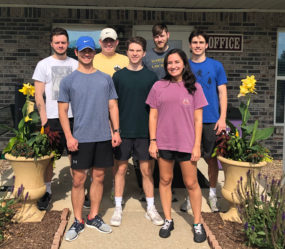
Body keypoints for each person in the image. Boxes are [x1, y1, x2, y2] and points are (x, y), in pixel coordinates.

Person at [58, 36, 121, 241]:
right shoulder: (68, 81)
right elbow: (63, 111)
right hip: (80, 138)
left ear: (94, 52)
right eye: (83, 51)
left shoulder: (105, 78)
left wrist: (116, 131)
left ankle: (93, 216)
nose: (86, 54)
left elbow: (113, 106)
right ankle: (78, 220)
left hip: (103, 136)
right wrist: (69, 136)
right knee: (78, 180)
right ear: (75, 53)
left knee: (99, 177)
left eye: (90, 51)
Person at [146, 49, 208, 242]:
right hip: (164, 142)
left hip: (187, 144)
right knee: (164, 181)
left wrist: (197, 145)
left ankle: (197, 223)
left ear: (184, 64)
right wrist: (153, 141)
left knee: (191, 183)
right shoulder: (158, 86)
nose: (173, 66)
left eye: (176, 62)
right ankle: (168, 219)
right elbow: (153, 115)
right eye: (169, 63)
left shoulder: (194, 87)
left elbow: (199, 120)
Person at [110, 37, 163, 227]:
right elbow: (112, 105)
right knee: (121, 169)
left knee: (147, 171)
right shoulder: (118, 77)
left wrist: (155, 136)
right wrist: (113, 130)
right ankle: (117, 207)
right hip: (123, 131)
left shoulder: (151, 77)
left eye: (138, 50)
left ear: (144, 53)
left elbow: (156, 109)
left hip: (144, 131)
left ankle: (150, 208)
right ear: (127, 52)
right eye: (131, 50)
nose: (134, 53)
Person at [181, 30, 228, 213]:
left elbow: (222, 92)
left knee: (211, 159)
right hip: (189, 121)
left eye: (201, 42)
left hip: (211, 120)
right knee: (189, 160)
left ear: (207, 45)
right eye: (194, 42)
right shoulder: (185, 67)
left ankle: (212, 195)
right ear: (190, 45)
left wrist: (222, 118)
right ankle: (189, 195)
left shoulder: (216, 66)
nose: (198, 45)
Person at [33, 27, 78, 211]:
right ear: (51, 44)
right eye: (57, 42)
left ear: (68, 44)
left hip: (74, 117)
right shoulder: (43, 64)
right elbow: (38, 95)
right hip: (51, 118)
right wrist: (44, 120)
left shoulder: (76, 64)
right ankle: (47, 190)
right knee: (49, 157)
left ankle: (79, 188)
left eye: (63, 42)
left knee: (76, 155)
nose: (60, 45)